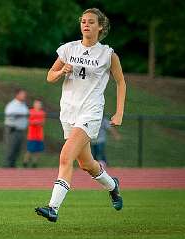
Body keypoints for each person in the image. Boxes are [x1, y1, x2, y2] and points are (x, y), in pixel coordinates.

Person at [35, 8, 126, 222]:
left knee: (66, 156)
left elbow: (121, 81)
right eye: (83, 21)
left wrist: (119, 112)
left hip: (91, 112)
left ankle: (53, 208)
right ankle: (113, 186)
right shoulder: (68, 49)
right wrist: (60, 71)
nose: (86, 25)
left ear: (100, 26)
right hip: (69, 112)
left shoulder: (108, 54)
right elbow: (50, 76)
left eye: (91, 22)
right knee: (86, 164)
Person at [3, 89, 29, 168]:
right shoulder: (12, 105)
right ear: (17, 95)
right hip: (13, 130)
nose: (24, 96)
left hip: (21, 130)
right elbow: (9, 114)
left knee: (17, 150)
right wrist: (20, 115)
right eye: (22, 94)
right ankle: (7, 167)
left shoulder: (23, 105)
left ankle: (12, 167)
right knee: (10, 149)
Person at [23, 99, 46, 168]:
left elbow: (43, 123)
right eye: (37, 104)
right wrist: (35, 122)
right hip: (32, 135)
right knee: (29, 150)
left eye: (39, 104)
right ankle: (25, 162)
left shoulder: (42, 113)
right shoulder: (30, 112)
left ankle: (34, 163)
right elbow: (29, 121)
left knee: (37, 151)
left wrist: (38, 122)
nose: (38, 105)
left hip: (39, 135)